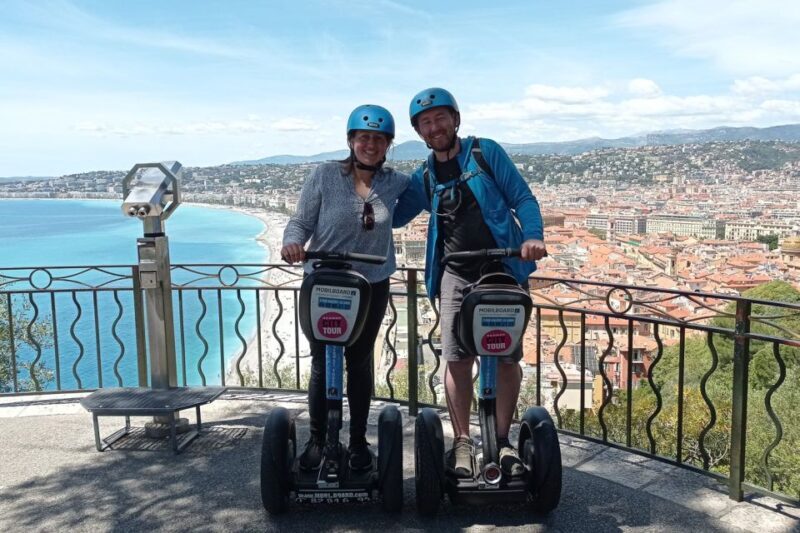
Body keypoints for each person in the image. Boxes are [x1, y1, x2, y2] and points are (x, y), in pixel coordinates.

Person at [394, 88, 547, 478]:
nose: (434, 127)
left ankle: (502, 439)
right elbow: (392, 217)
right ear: (419, 131)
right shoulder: (424, 175)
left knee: (507, 357)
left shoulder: (484, 152)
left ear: (455, 120)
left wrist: (532, 236)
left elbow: (522, 198)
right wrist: (363, 182)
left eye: (440, 118)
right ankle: (463, 440)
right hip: (456, 273)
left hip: (502, 269)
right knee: (457, 358)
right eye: (426, 123)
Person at [281, 104, 410, 471]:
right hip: (324, 282)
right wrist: (292, 243)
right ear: (351, 140)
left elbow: (429, 194)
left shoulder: (396, 182)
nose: (371, 145)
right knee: (322, 362)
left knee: (360, 361)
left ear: (388, 145)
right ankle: (318, 439)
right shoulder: (325, 175)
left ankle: (356, 441)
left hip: (370, 285)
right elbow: (300, 221)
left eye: (379, 139)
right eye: (364, 137)